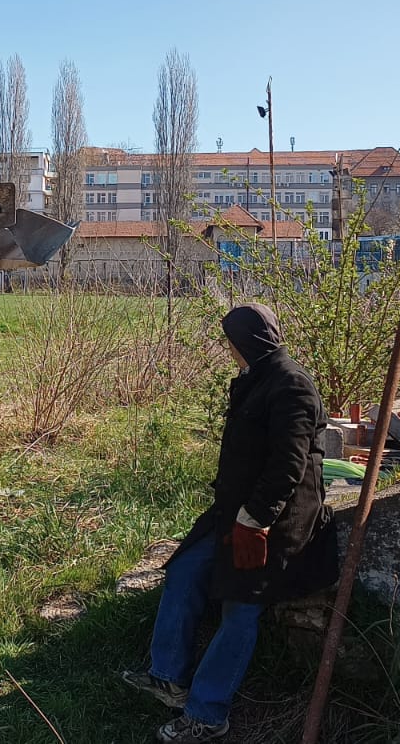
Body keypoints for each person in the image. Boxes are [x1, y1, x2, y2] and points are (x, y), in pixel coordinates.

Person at [122, 303, 339, 743]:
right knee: (183, 570)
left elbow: (289, 465)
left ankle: (207, 714)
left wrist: (255, 521)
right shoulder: (256, 376)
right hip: (233, 513)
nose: (228, 350)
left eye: (230, 342)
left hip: (274, 521)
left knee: (241, 607)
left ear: (247, 341)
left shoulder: (292, 384)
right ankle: (168, 676)